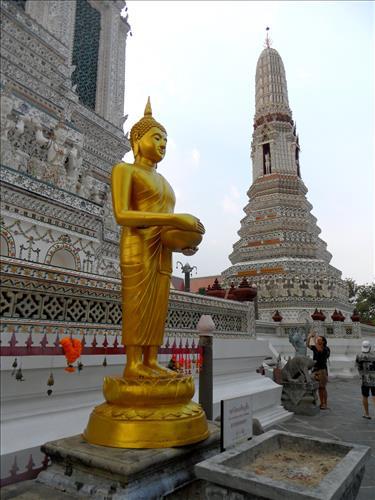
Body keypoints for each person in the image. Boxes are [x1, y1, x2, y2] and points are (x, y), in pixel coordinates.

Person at [111, 98, 205, 379]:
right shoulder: (124, 170)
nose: (163, 144)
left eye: (166, 139)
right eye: (157, 137)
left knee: (157, 308)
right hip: (137, 247)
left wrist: (184, 242)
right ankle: (133, 363)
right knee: (137, 305)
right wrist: (173, 219)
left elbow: (168, 228)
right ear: (137, 140)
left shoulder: (165, 182)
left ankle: (151, 360)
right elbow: (122, 215)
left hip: (162, 252)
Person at [307, 332, 330, 409]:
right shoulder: (315, 347)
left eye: (319, 339)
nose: (317, 340)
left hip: (322, 370)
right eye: (317, 339)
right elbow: (308, 345)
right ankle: (321, 402)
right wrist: (309, 337)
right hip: (315, 369)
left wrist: (314, 338)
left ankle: (325, 403)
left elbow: (319, 349)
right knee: (318, 387)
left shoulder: (326, 349)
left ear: (323, 341)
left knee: (322, 387)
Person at [355, 340, 375, 419]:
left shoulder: (359, 355)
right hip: (374, 378)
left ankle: (367, 414)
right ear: (370, 347)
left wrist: (361, 374)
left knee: (365, 396)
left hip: (364, 379)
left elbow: (357, 366)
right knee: (374, 396)